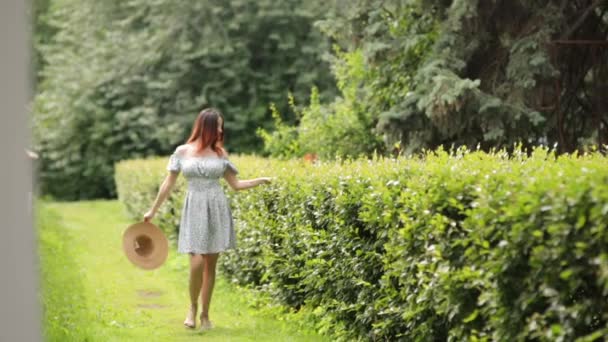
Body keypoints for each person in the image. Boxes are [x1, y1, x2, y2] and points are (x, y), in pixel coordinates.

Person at [142, 108, 272, 331]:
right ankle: (191, 307)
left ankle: (205, 315)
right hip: (194, 208)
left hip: (217, 208)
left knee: (210, 265)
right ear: (206, 127)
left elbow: (236, 185)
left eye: (222, 125)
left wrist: (259, 180)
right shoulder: (183, 151)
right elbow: (168, 183)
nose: (221, 129)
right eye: (218, 125)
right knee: (196, 264)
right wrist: (153, 210)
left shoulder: (220, 154)